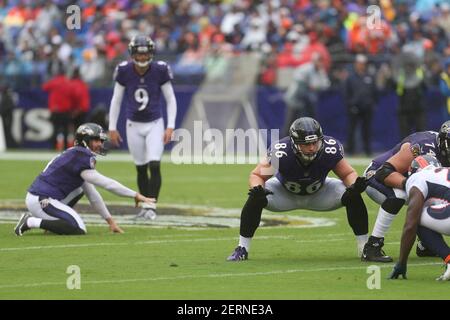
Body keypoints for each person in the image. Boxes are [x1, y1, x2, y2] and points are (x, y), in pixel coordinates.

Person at [227, 117, 369, 261]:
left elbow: (348, 174)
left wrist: (353, 186)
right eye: (306, 144)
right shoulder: (281, 152)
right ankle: (242, 248)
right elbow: (257, 174)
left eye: (315, 142)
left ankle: (365, 248)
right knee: (255, 198)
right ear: (294, 143)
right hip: (285, 194)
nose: (312, 148)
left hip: (320, 193)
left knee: (353, 194)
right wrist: (258, 189)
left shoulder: (329, 149)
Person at [14, 123, 155, 236]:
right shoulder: (80, 156)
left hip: (43, 198)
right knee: (77, 227)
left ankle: (51, 223)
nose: (100, 144)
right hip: (42, 199)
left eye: (100, 140)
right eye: (96, 140)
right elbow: (107, 184)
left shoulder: (75, 155)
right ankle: (30, 221)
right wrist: (135, 194)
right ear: (85, 141)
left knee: (80, 189)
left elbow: (93, 196)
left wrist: (110, 222)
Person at [108, 35, 177, 220]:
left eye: (145, 54)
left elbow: (170, 99)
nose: (141, 58)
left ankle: (151, 206)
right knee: (140, 167)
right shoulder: (123, 70)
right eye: (138, 54)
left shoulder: (160, 69)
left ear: (151, 53)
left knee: (154, 164)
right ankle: (145, 206)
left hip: (154, 122)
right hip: (133, 124)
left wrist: (170, 126)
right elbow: (116, 99)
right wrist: (112, 127)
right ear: (132, 54)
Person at [361, 121, 450, 262]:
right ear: (444, 142)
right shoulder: (422, 146)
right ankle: (373, 246)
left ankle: (426, 245)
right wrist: (411, 185)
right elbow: (384, 172)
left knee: (436, 196)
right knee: (399, 196)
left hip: (412, 179)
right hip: (378, 175)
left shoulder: (443, 148)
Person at [389, 155, 450, 281]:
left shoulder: (417, 178)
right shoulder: (443, 172)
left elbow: (411, 225)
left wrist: (402, 262)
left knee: (416, 218)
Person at [282, 53, 330, 136]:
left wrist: (314, 86)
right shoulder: (305, 68)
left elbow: (326, 84)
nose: (320, 63)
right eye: (318, 61)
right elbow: (298, 79)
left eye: (321, 61)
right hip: (295, 98)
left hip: (307, 101)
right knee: (290, 122)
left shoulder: (320, 71)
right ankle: (284, 142)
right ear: (314, 61)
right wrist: (309, 85)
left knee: (304, 123)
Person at [343, 54, 378, 156]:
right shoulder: (350, 78)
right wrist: (350, 105)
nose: (361, 65)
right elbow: (346, 93)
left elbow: (374, 92)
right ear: (355, 64)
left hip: (367, 107)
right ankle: (351, 151)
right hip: (354, 108)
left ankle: (368, 151)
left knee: (367, 130)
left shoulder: (369, 77)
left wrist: (372, 103)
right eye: (359, 63)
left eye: (362, 64)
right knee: (352, 129)